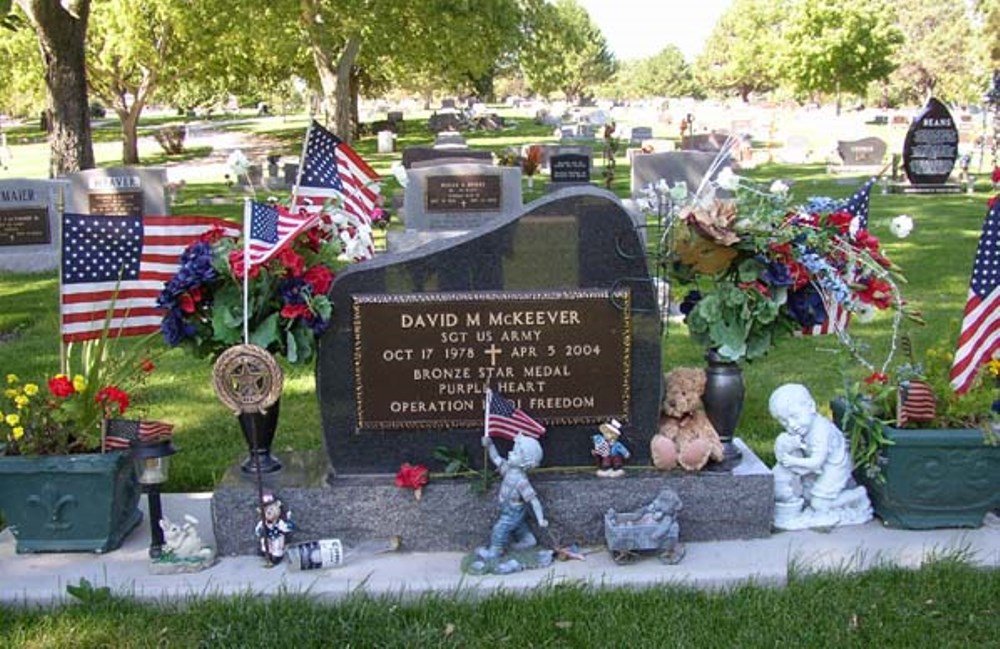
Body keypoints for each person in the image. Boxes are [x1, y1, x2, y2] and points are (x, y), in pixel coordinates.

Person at [768, 384, 871, 529]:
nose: (791, 425)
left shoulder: (820, 431)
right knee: (808, 496)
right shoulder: (805, 426)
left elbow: (816, 462)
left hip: (835, 466)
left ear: (811, 406)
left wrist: (793, 461)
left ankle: (857, 496)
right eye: (784, 421)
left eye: (794, 416)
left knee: (819, 504)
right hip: (820, 466)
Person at [477, 434, 548, 560]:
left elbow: (534, 501)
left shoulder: (521, 482)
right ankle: (528, 540)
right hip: (508, 508)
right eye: (513, 450)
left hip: (513, 512)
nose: (510, 453)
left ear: (526, 462)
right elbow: (496, 458)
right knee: (519, 526)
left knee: (500, 528)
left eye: (516, 453)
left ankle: (495, 551)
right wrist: (490, 445)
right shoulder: (507, 470)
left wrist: (541, 519)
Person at [255, 491, 294, 563]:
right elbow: (258, 530)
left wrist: (285, 526)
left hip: (277, 537)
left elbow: (288, 528)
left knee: (278, 543)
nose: (269, 512)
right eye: (266, 510)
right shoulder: (264, 523)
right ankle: (267, 552)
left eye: (271, 509)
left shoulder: (280, 522)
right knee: (264, 541)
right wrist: (260, 531)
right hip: (268, 537)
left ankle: (277, 554)